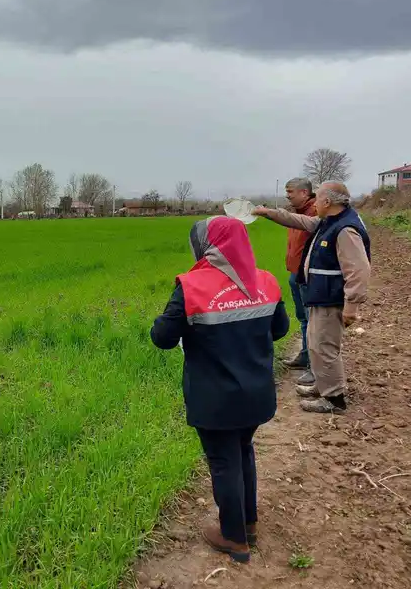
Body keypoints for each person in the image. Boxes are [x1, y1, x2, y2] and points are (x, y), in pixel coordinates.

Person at [150, 216, 289, 563]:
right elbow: (281, 329)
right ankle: (249, 523)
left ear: (207, 246)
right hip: (256, 393)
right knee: (243, 451)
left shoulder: (192, 286)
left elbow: (162, 338)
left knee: (224, 461)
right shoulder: (266, 281)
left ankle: (233, 538)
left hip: (215, 397)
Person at [254, 181, 371, 414]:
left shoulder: (345, 230)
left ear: (328, 202)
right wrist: (268, 213)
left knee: (324, 346)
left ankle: (334, 398)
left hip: (332, 298)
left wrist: (351, 306)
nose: (314, 203)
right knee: (316, 344)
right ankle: (323, 384)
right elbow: (300, 221)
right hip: (321, 295)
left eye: (317, 199)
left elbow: (359, 270)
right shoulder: (330, 221)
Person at [280, 178, 317, 389]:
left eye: (290, 192)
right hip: (295, 273)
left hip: (308, 276)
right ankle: (304, 356)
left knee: (314, 322)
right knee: (303, 318)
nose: (288, 195)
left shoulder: (314, 213)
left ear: (304, 192)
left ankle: (315, 366)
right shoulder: (297, 211)